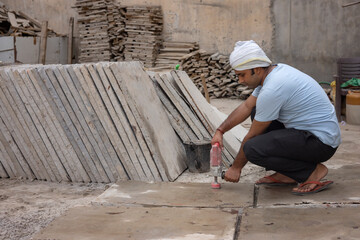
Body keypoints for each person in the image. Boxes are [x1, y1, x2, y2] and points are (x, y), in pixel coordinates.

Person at [211, 40, 341, 195]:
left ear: (257, 69)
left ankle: (312, 172)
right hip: (311, 135)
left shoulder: (273, 88)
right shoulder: (274, 73)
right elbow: (247, 106)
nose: (240, 81)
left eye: (242, 75)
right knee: (256, 112)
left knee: (252, 149)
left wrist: (236, 168)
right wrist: (220, 130)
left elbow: (253, 135)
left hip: (322, 144)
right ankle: (288, 174)